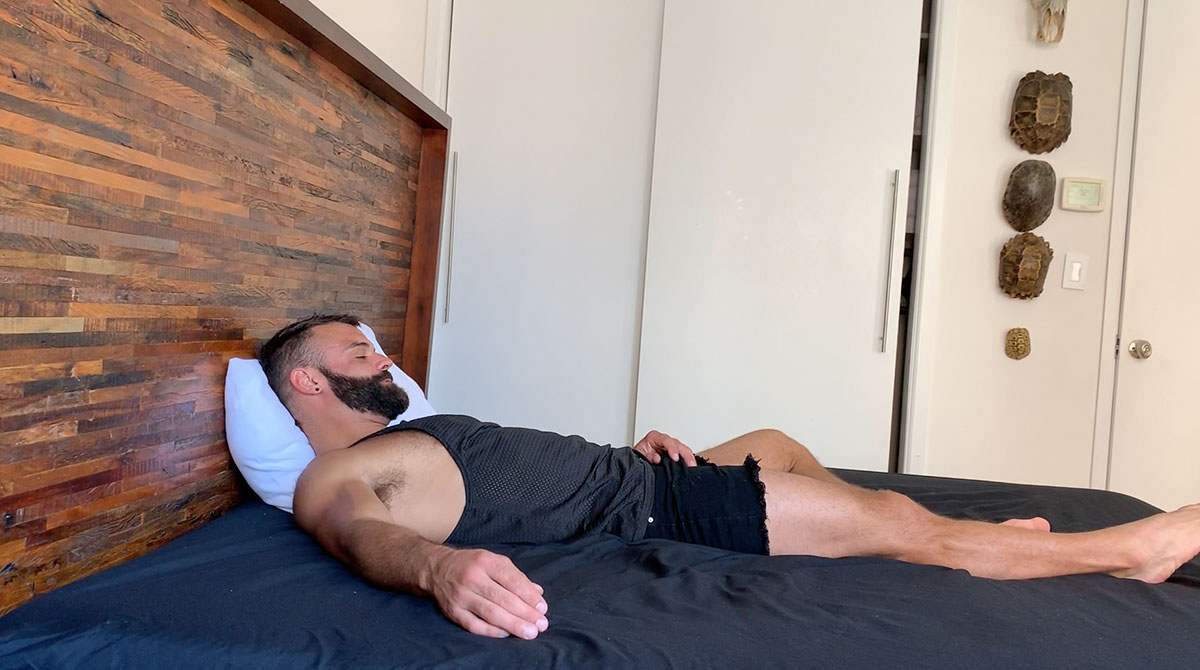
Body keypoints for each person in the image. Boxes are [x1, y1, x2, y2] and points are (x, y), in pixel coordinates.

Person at [259, 313, 1200, 642]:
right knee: (896, 519)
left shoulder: (419, 430)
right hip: (654, 508)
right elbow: (357, 533)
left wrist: (634, 447)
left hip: (637, 473)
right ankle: (1131, 550)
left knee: (776, 441)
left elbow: (538, 476)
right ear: (307, 382)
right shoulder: (335, 475)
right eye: (359, 352)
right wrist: (439, 569)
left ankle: (934, 536)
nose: (383, 357)